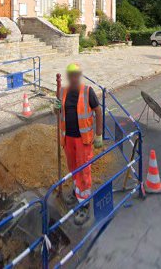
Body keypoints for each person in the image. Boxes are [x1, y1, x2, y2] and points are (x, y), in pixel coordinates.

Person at [56, 63, 103, 225]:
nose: (73, 77)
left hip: (83, 140)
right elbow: (59, 111)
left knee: (83, 171)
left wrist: (99, 134)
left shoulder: (87, 91)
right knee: (73, 168)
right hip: (68, 138)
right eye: (71, 75)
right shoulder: (64, 91)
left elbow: (98, 110)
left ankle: (84, 204)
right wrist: (55, 109)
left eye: (76, 74)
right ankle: (77, 193)